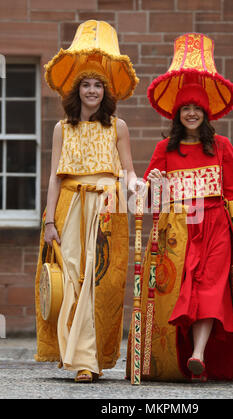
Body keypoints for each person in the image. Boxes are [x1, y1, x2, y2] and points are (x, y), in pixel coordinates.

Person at [126, 33, 233, 383]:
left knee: (210, 289)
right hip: (177, 229)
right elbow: (147, 192)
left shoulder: (221, 146)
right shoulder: (165, 149)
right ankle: (180, 355)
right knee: (182, 290)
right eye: (185, 108)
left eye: (197, 109)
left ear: (206, 114)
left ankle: (198, 355)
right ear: (178, 114)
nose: (191, 113)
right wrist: (143, 187)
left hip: (217, 225)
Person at [35, 20, 141, 382]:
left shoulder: (119, 127)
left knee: (102, 282)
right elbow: (54, 176)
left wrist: (137, 187)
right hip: (68, 205)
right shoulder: (61, 129)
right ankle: (76, 356)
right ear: (76, 90)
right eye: (86, 84)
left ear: (105, 91)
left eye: (98, 85)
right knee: (73, 278)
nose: (92, 90)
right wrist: (49, 220)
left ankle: (88, 361)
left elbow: (127, 170)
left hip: (109, 209)